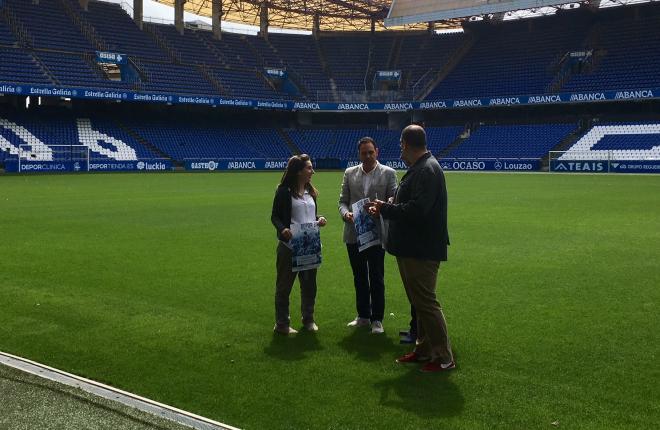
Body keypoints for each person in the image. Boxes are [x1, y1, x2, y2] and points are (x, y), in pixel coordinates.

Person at [367, 125, 455, 372]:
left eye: (401, 145)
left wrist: (386, 207)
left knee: (426, 302)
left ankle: (443, 356)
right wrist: (391, 203)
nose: (400, 150)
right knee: (420, 302)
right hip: (413, 247)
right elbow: (412, 204)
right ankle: (425, 349)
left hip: (421, 249)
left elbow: (417, 211)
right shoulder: (422, 168)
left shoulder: (427, 169)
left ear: (406, 144)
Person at [338, 137, 397, 334]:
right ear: (359, 154)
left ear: (377, 152)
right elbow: (343, 201)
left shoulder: (389, 173)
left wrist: (383, 207)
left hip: (376, 233)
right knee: (359, 276)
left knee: (377, 276)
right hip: (354, 234)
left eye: (371, 152)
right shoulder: (349, 173)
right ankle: (363, 316)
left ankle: (377, 319)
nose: (368, 156)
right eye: (364, 153)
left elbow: (394, 199)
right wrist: (346, 214)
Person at [271, 154, 327, 335]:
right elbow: (275, 216)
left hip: (309, 245)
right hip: (289, 247)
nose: (313, 171)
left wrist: (319, 219)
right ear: (298, 171)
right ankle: (282, 323)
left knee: (310, 285)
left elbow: (309, 216)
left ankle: (308, 318)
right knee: (284, 286)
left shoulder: (311, 192)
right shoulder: (283, 192)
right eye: (309, 168)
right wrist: (282, 230)